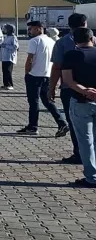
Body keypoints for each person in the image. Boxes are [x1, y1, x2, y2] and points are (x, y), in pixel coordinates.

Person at [19, 21, 69, 136]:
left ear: (39, 29)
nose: (29, 31)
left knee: (33, 101)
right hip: (47, 75)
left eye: (31, 29)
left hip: (34, 75)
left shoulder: (34, 41)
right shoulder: (51, 41)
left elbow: (30, 59)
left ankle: (33, 126)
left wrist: (27, 72)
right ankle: (62, 122)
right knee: (47, 101)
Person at [60, 27, 96, 188]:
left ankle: (92, 177)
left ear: (74, 40)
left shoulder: (71, 55)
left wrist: (84, 90)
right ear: (92, 38)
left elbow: (67, 80)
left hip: (81, 101)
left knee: (85, 141)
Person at [50, 13, 87, 164]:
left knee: (74, 123)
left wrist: (52, 88)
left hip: (69, 88)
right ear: (84, 23)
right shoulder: (93, 40)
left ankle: (79, 153)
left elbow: (57, 67)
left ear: (69, 25)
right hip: (92, 88)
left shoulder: (62, 43)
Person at [0, 24, 18, 90]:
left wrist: (6, 46)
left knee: (8, 71)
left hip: (9, 57)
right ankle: (5, 84)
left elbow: (15, 47)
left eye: (6, 29)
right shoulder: (6, 37)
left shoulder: (13, 37)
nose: (5, 30)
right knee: (4, 71)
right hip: (4, 57)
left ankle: (10, 85)